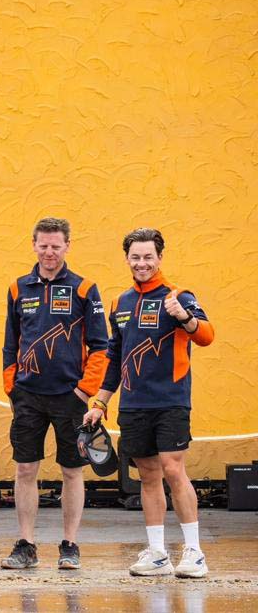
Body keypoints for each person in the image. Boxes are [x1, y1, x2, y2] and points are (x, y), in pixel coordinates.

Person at [84, 228, 214, 579]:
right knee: (148, 475)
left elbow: (207, 336)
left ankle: (194, 552)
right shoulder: (119, 303)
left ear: (160, 257)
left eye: (148, 257)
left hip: (171, 401)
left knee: (174, 469)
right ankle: (157, 554)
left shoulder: (179, 296)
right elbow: (114, 357)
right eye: (135, 257)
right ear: (127, 259)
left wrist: (185, 318)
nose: (142, 263)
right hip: (133, 404)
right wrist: (100, 402)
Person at [0, 218, 109, 571]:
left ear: (67, 246)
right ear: (33, 245)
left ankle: (70, 545)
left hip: (69, 397)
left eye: (56, 246)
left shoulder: (84, 288)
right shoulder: (18, 288)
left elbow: (101, 346)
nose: (49, 252)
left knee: (72, 471)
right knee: (25, 469)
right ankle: (26, 545)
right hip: (28, 395)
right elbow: (9, 345)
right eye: (43, 245)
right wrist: (11, 389)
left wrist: (84, 392)